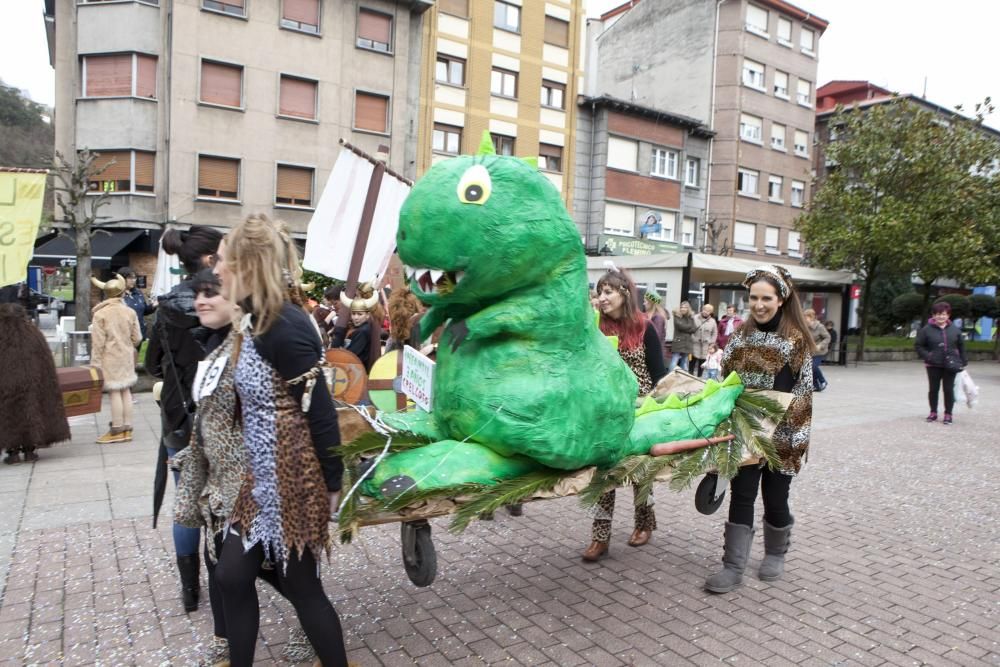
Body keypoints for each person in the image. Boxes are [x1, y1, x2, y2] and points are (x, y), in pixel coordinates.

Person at [211, 214, 348, 666]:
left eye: (223, 261)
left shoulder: (284, 325)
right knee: (231, 575)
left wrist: (332, 484)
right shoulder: (253, 320)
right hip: (260, 479)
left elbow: (321, 411)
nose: (215, 270)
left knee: (305, 588)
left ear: (246, 266)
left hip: (295, 481)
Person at [172, 269, 315, 667]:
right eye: (197, 293)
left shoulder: (258, 344)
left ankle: (307, 625)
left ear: (236, 298)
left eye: (211, 293)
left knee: (280, 574)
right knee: (225, 568)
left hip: (258, 485)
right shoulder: (216, 345)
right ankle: (227, 643)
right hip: (222, 484)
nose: (200, 301)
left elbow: (294, 411)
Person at [704, 265, 814, 593]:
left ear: (781, 299)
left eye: (766, 298)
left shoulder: (796, 341)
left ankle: (776, 552)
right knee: (742, 494)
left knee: (775, 498)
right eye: (753, 298)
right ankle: (732, 566)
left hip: (782, 437)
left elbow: (803, 395)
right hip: (746, 432)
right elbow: (728, 385)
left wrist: (792, 441)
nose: (759, 304)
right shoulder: (739, 337)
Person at [146, 224, 224, 613]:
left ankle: (189, 591)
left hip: (178, 418)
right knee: (222, 498)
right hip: (219, 419)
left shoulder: (164, 307)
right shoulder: (222, 303)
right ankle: (224, 577)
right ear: (210, 259)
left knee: (186, 500)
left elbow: (152, 365)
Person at [583, 269, 667, 562]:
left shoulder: (644, 326)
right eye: (599, 292)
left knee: (641, 471)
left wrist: (656, 405)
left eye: (608, 292)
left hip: (639, 409)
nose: (602, 298)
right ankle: (600, 537)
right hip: (606, 410)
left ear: (625, 294)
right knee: (603, 473)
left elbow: (659, 374)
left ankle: (644, 523)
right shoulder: (594, 327)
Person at [0, 303, 70, 464]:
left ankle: (13, 453)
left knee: (8, 415)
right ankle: (30, 450)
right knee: (31, 412)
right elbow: (47, 363)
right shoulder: (34, 335)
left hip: (5, 385)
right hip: (32, 384)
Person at [90, 274, 142, 444]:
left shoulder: (100, 315)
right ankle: (127, 428)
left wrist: (95, 364)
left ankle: (117, 428)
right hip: (126, 356)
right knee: (126, 390)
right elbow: (138, 338)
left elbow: (98, 343)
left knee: (114, 391)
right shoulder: (130, 312)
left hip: (109, 357)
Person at [914, 302, 966, 425]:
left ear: (948, 315)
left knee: (948, 390)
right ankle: (933, 412)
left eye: (943, 314)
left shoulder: (955, 330)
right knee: (933, 389)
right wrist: (928, 355)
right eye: (938, 314)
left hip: (951, 364)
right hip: (933, 364)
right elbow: (918, 346)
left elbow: (961, 346)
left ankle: (948, 414)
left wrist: (963, 361)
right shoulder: (926, 330)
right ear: (933, 315)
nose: (941, 317)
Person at [331, 284, 381, 371]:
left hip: (357, 372)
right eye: (353, 314)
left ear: (367, 315)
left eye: (360, 314)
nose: (356, 317)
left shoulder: (362, 331)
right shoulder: (363, 327)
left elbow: (350, 355)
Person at [118, 266, 156, 347]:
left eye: (134, 278)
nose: (133, 280)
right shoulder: (117, 294)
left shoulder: (138, 293)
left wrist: (153, 306)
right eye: (130, 278)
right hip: (124, 334)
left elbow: (144, 311)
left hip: (139, 333)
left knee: (135, 358)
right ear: (122, 278)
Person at [804, 309, 830, 392]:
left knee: (812, 366)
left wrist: (820, 345)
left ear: (811, 317)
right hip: (811, 352)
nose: (804, 319)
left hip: (820, 352)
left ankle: (823, 381)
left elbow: (828, 337)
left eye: (806, 317)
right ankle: (816, 386)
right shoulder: (805, 327)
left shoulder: (820, 327)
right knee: (809, 368)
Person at [690, 303, 718, 377]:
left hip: (706, 345)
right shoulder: (695, 318)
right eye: (705, 309)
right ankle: (690, 376)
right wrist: (692, 338)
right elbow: (689, 329)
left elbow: (714, 333)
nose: (706, 312)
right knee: (692, 361)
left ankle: (699, 377)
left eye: (708, 311)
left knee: (702, 363)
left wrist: (712, 343)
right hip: (695, 344)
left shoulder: (712, 321)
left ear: (711, 312)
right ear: (702, 309)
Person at [670, 301, 696, 372]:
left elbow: (694, 329)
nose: (683, 309)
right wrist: (689, 327)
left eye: (685, 307)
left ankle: (681, 378)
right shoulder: (677, 316)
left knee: (684, 362)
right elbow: (680, 326)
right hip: (678, 341)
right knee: (674, 360)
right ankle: (669, 377)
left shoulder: (690, 317)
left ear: (688, 309)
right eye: (682, 307)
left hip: (687, 342)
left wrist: (688, 328)